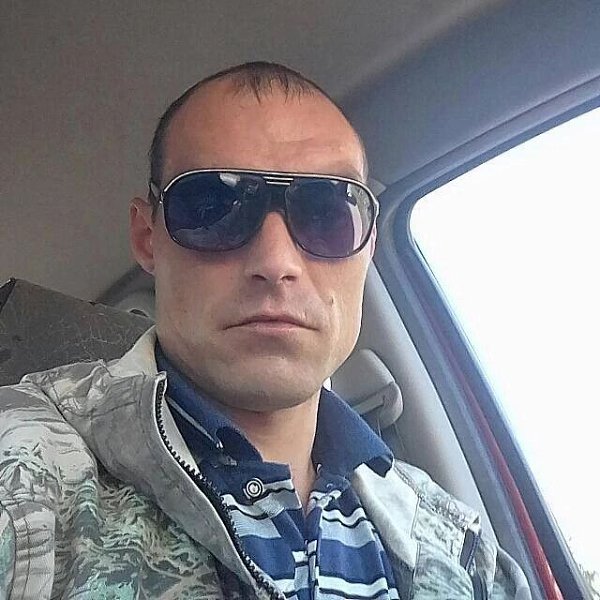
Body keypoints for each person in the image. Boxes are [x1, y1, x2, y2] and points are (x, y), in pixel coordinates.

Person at [0, 62, 530, 599]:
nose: (277, 263)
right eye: (213, 207)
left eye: (327, 212)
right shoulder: (25, 472)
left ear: (368, 245)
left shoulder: (463, 551)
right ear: (147, 239)